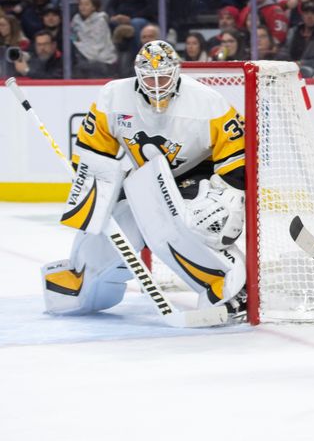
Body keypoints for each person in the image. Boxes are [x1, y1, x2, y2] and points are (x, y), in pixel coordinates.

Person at [42, 40, 248, 321]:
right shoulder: (113, 96)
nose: (156, 85)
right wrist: (95, 202)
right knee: (105, 235)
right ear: (137, 74)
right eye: (149, 78)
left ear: (176, 72)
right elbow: (93, 155)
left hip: (196, 174)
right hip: (144, 177)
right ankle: (82, 281)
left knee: (193, 224)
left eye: (162, 77)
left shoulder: (207, 101)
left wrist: (229, 196)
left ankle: (230, 287)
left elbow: (236, 153)